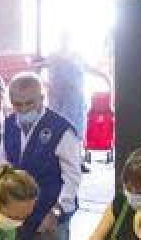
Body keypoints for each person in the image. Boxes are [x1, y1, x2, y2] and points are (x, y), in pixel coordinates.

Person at [0, 72, 82, 240]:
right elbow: (1, 165)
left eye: (30, 103)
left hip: (51, 212)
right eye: (17, 104)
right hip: (18, 212)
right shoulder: (9, 124)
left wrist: (57, 212)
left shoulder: (62, 130)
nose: (24, 109)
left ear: (42, 98)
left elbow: (72, 177)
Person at [35, 32, 110, 171]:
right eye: (63, 38)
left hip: (75, 101)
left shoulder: (77, 56)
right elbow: (38, 67)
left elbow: (89, 68)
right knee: (57, 130)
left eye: (67, 39)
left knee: (76, 131)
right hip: (57, 101)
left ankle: (77, 161)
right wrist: (42, 83)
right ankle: (56, 162)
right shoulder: (54, 56)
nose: (65, 41)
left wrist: (105, 77)